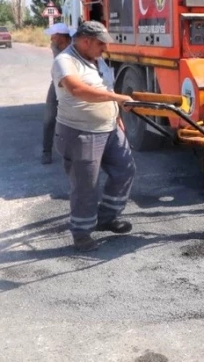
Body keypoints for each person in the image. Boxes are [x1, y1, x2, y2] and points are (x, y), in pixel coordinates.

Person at [52, 20, 137, 252]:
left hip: (109, 127)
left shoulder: (98, 60)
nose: (105, 48)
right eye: (101, 43)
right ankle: (81, 233)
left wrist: (116, 114)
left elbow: (105, 89)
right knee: (85, 184)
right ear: (85, 40)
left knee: (125, 170)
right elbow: (77, 90)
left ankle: (107, 217)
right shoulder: (65, 61)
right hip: (81, 132)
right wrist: (119, 99)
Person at [42, 22, 72, 164]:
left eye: (53, 36)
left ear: (61, 36)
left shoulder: (75, 46)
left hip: (74, 82)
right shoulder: (56, 47)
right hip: (57, 83)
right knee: (49, 118)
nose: (51, 39)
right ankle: (46, 152)